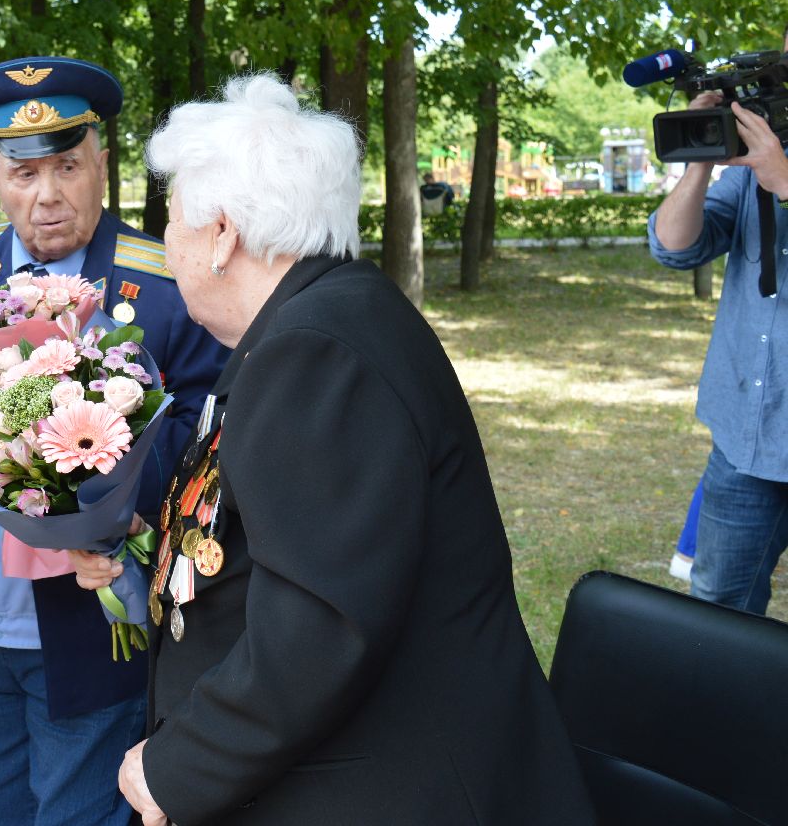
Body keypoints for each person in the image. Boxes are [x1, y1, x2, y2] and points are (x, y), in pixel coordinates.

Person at [67, 73, 594, 825]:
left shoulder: (314, 351)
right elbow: (283, 539)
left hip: (382, 786)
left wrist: (181, 766)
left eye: (173, 222)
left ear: (222, 235)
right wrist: (148, 553)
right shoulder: (310, 323)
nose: (165, 246)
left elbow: (321, 622)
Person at [0, 56, 229, 826]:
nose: (47, 195)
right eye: (23, 175)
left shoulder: (161, 281)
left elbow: (207, 428)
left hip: (96, 623)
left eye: (67, 167)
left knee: (77, 814)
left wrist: (119, 488)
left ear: (101, 163)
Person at [648, 26, 788, 614]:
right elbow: (673, 246)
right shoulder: (755, 166)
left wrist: (783, 182)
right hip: (746, 442)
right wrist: (701, 159)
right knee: (718, 615)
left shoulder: (774, 169)